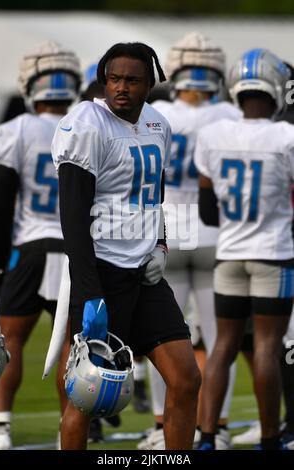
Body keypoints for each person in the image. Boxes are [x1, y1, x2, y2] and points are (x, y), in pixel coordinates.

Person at [51, 41, 201, 450]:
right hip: (102, 272)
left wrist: (161, 244)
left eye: (132, 80)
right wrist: (89, 291)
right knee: (88, 395)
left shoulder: (157, 123)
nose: (121, 88)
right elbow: (73, 217)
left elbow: (156, 190)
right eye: (114, 79)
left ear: (150, 83)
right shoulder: (86, 122)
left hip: (145, 275)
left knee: (187, 379)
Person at [140, 31, 241, 450]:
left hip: (166, 232)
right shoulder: (231, 117)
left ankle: (162, 424)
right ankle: (213, 426)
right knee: (220, 341)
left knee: (160, 337)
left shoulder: (156, 112)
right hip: (218, 234)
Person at [195, 47, 294, 450]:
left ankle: (206, 435)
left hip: (229, 253)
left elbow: (206, 209)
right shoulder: (287, 136)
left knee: (222, 346)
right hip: (274, 253)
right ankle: (270, 437)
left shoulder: (213, 134)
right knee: (268, 349)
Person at [0, 40, 81, 450]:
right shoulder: (88, 124)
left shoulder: (16, 130)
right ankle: (72, 425)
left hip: (29, 246)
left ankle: (0, 427)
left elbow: (0, 198)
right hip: (75, 248)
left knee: (9, 340)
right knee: (71, 344)